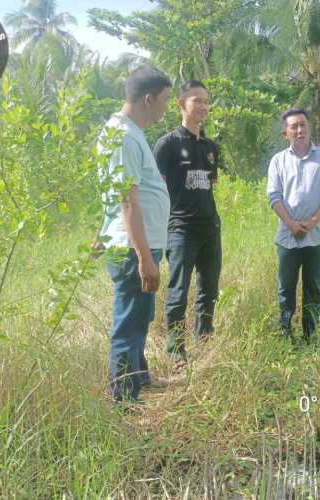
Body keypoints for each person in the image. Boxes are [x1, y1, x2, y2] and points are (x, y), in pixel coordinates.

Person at [97, 65, 172, 404]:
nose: (167, 107)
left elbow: (116, 192)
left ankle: (139, 378)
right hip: (133, 249)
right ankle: (124, 399)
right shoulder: (124, 136)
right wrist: (143, 257)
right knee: (129, 321)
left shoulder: (130, 133)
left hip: (138, 243)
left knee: (141, 315)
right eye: (165, 99)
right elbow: (127, 199)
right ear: (148, 98)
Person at [153, 81, 221, 364]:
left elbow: (209, 185)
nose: (203, 106)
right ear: (181, 104)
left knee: (209, 288)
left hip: (210, 228)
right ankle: (175, 348)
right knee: (178, 288)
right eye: (197, 101)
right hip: (180, 228)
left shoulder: (211, 147)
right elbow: (155, 187)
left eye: (206, 101)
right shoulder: (167, 144)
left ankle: (203, 339)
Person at [266, 108, 320, 342]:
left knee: (313, 289)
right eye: (294, 127)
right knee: (285, 288)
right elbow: (274, 196)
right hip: (287, 237)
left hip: (316, 236)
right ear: (285, 132)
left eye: (303, 125)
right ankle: (285, 333)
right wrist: (291, 225)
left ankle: (311, 335)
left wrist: (312, 222)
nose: (299, 130)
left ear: (309, 127)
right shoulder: (278, 160)